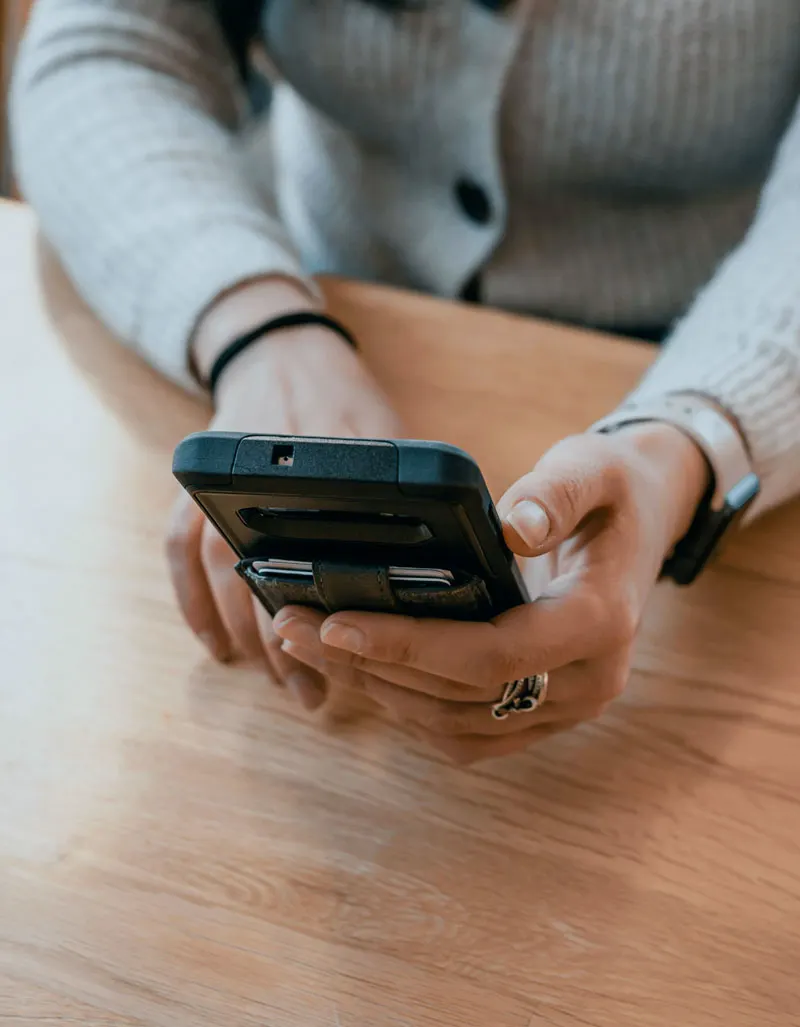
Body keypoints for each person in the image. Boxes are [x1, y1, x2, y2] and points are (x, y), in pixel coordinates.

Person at [10, 0, 800, 763]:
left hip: (705, 347)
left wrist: (693, 439)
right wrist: (257, 326)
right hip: (327, 295)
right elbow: (107, 49)